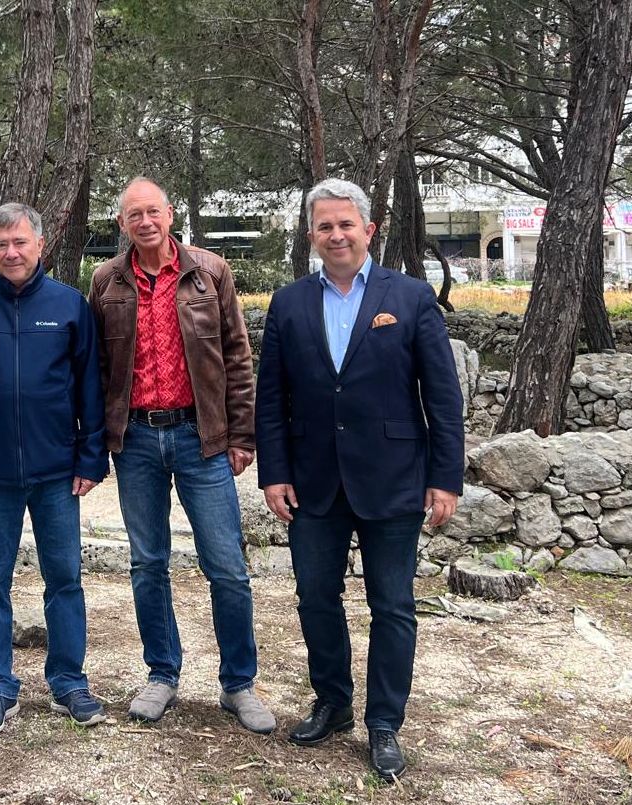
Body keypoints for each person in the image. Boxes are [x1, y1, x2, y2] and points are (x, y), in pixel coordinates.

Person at [255, 178, 464, 780]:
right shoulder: (289, 303)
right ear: (311, 235)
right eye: (325, 225)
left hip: (394, 477)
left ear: (368, 230)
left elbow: (443, 397)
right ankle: (333, 702)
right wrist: (275, 473)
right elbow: (272, 400)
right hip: (312, 480)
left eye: (346, 224)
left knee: (392, 605)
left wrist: (445, 478)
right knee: (316, 598)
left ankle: (385, 722)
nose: (336, 234)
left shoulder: (412, 297)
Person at [88, 178, 275, 734]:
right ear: (122, 223)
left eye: (153, 212)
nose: (145, 222)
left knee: (227, 566)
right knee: (148, 563)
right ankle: (162, 673)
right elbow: (97, 367)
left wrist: (242, 437)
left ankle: (238, 683)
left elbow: (237, 356)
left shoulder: (210, 271)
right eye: (134, 215)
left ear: (169, 215)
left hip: (202, 437)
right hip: (137, 440)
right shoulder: (106, 280)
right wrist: (98, 440)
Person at [0, 202, 109, 737]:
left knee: (65, 577)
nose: (11, 253)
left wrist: (91, 455)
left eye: (20, 243)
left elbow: (90, 387)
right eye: (0, 245)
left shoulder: (70, 305)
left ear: (40, 244)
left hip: (57, 470)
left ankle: (69, 681)